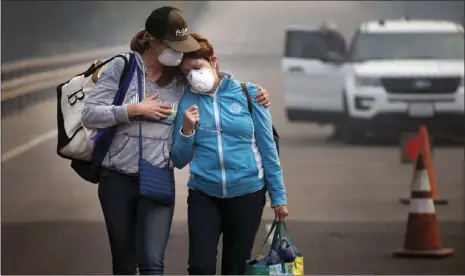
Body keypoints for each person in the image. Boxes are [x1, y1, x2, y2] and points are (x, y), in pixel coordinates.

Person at [81, 7, 271, 275]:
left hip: (157, 174)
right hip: (116, 177)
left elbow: (212, 78)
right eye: (173, 45)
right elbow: (89, 115)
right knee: (124, 262)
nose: (179, 52)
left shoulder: (182, 79)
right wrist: (134, 110)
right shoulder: (123, 67)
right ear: (153, 40)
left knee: (152, 262)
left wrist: (255, 91)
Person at [171, 33, 289, 275]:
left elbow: (268, 149)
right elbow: (179, 159)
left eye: (197, 67)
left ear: (213, 61)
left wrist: (278, 197)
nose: (193, 76)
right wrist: (186, 129)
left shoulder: (249, 94)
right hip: (204, 194)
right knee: (200, 267)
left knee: (235, 267)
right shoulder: (187, 101)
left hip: (247, 194)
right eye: (186, 73)